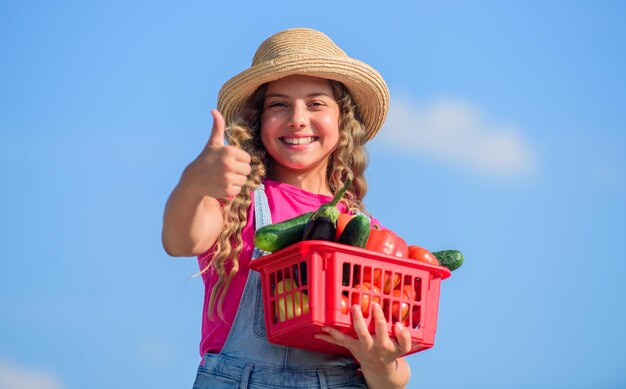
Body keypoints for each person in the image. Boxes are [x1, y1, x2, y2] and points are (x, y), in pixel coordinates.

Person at [162, 27, 411, 389]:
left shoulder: (366, 230)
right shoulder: (236, 203)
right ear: (257, 120)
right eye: (279, 104)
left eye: (315, 103)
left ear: (342, 120)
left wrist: (382, 366)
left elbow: (395, 378)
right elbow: (180, 241)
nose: (297, 117)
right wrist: (193, 184)